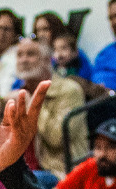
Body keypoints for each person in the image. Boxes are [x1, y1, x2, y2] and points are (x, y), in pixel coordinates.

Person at [11, 41, 86, 177]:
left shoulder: (69, 90)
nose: (23, 60)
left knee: (22, 181)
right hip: (22, 169)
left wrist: (32, 103)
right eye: (20, 55)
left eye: (30, 54)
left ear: (47, 60)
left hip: (57, 171)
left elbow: (58, 138)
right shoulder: (17, 94)